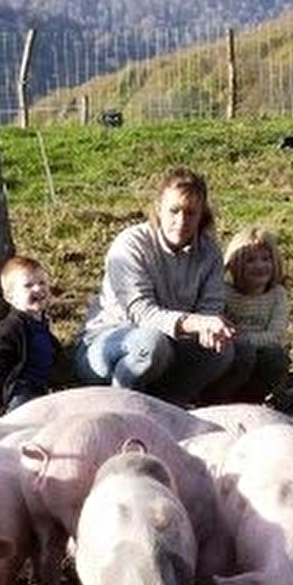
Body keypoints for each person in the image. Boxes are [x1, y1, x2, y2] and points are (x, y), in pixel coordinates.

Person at [71, 166, 238, 406]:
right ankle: (120, 408)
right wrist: (198, 323)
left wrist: (211, 327)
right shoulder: (131, 244)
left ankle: (172, 404)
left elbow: (210, 309)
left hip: (170, 347)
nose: (181, 221)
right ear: (159, 208)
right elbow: (141, 312)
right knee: (150, 343)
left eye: (191, 213)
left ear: (202, 215)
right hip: (109, 345)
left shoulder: (209, 251)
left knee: (224, 349)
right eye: (174, 211)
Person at [204, 225, 292, 404]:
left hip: (259, 355)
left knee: (275, 357)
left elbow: (275, 335)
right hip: (230, 355)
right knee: (242, 355)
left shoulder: (278, 296)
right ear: (235, 264)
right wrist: (238, 343)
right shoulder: (224, 292)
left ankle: (250, 400)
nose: (259, 265)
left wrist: (244, 340)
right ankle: (215, 398)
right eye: (250, 260)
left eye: (266, 259)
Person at [0, 255, 61, 420]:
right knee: (23, 420)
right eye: (28, 286)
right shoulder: (10, 327)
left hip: (44, 387)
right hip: (22, 390)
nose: (37, 289)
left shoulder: (41, 322)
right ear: (10, 297)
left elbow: (53, 351)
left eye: (42, 283)